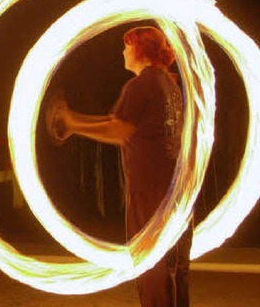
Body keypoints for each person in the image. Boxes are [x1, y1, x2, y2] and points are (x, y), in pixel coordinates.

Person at [46, 26, 192, 307]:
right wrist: (75, 123)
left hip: (150, 192)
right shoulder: (168, 84)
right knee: (175, 271)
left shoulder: (141, 85)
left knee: (152, 270)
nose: (122, 51)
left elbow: (118, 131)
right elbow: (128, 128)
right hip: (176, 192)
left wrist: (72, 122)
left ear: (139, 48)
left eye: (127, 46)